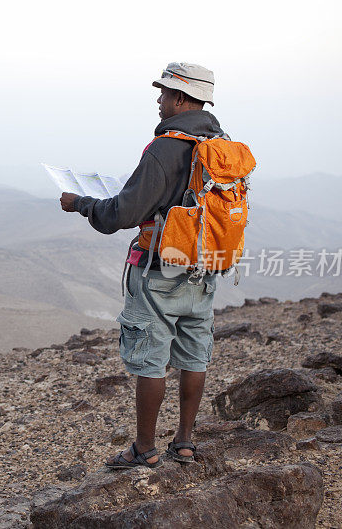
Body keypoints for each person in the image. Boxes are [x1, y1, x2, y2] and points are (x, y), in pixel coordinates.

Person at [60, 62, 224, 468]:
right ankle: (184, 442)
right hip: (202, 267)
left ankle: (144, 449)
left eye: (165, 93)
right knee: (193, 354)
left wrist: (80, 203)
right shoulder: (221, 144)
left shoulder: (166, 147)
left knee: (151, 357)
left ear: (182, 98)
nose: (159, 100)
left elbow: (122, 213)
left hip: (158, 270)